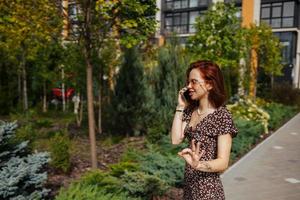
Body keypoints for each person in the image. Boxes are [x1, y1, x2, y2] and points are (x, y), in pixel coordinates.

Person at [171, 60, 238, 200]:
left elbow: (223, 162)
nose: (189, 86)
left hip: (208, 191)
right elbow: (176, 139)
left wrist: (198, 164)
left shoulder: (221, 116)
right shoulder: (191, 110)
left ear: (209, 84)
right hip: (190, 186)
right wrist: (180, 106)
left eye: (194, 82)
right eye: (188, 82)